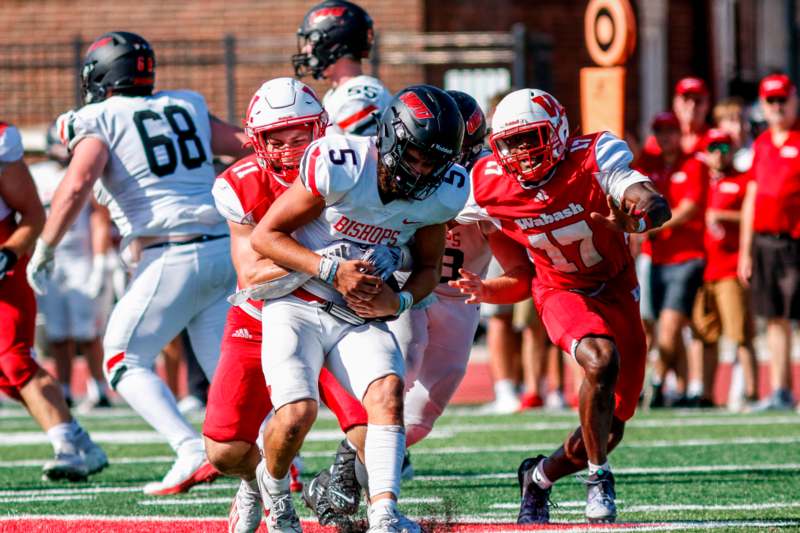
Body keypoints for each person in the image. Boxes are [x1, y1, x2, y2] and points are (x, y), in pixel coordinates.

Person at [26, 31, 250, 495]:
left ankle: (188, 448)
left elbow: (76, 183)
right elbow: (248, 144)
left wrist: (45, 246)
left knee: (122, 358)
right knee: (221, 365)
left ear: (102, 76)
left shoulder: (99, 117)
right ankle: (273, 455)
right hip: (219, 246)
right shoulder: (186, 104)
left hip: (170, 251)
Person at [250, 85, 466, 533]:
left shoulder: (443, 193)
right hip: (298, 300)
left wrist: (401, 299)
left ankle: (385, 515)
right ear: (389, 137)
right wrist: (331, 271)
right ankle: (272, 491)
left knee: (388, 391)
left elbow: (428, 267)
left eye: (433, 162)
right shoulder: (341, 164)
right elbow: (265, 237)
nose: (422, 170)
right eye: (415, 156)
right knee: (296, 414)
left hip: (359, 312)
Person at [456, 88, 670, 524]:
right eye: (509, 142)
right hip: (558, 289)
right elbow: (511, 269)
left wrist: (638, 216)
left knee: (611, 426)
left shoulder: (592, 158)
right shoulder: (486, 182)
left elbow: (652, 201)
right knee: (600, 360)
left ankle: (538, 476)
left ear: (556, 131)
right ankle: (599, 479)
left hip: (615, 288)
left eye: (529, 137)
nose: (520, 152)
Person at [203, 77, 371, 533]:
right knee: (224, 451)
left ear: (321, 130)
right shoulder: (240, 184)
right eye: (276, 139)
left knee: (371, 434)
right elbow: (252, 275)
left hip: (331, 315)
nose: (289, 148)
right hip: (262, 315)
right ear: (257, 141)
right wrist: (325, 263)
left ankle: (382, 515)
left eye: (300, 136)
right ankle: (256, 480)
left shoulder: (349, 168)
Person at [0, 121, 107, 481]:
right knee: (6, 377)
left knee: (14, 360)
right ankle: (80, 442)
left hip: (4, 266)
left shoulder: (2, 142)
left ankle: (68, 448)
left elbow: (32, 214)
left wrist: (9, 254)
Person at [30, 122, 112, 411]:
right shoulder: (36, 175)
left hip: (81, 259)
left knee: (87, 333)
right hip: (49, 261)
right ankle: (64, 389)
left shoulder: (82, 173)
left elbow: (99, 219)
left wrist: (101, 262)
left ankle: (98, 389)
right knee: (57, 333)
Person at [635, 112, 707, 407]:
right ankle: (671, 386)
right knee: (652, 324)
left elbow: (689, 207)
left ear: (681, 133)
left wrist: (653, 225)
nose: (665, 136)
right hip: (655, 257)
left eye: (670, 130)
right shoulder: (647, 165)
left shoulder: (693, 164)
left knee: (670, 320)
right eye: (660, 131)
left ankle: (654, 382)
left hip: (686, 255)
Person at [739, 73, 800, 410]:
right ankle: (781, 389)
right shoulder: (761, 145)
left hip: (794, 241)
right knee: (774, 318)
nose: (777, 107)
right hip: (765, 241)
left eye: (782, 100)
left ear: (793, 100)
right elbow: (751, 196)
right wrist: (745, 251)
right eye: (771, 101)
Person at [691, 129, 758, 408]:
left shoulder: (742, 181)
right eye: (713, 147)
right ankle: (707, 393)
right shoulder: (701, 181)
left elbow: (752, 216)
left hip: (729, 267)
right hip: (702, 268)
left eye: (724, 147)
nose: (719, 153)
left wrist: (723, 216)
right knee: (705, 334)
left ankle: (753, 392)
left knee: (740, 333)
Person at [293, 0, 392, 137]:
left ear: (332, 44)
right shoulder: (338, 94)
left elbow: (364, 156)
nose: (305, 49)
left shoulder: (358, 99)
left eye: (311, 41)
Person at [643, 77, 711, 157]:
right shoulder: (657, 140)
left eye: (698, 101)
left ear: (707, 105)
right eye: (685, 99)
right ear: (675, 103)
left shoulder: (715, 139)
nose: (692, 106)